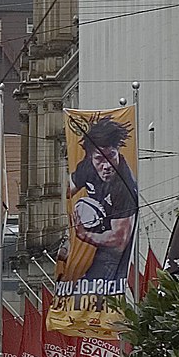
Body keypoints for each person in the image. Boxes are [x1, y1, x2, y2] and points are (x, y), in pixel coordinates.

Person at [64, 113, 138, 291]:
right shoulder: (87, 166)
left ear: (117, 151)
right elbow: (66, 190)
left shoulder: (124, 187)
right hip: (94, 249)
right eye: (99, 159)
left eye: (111, 156)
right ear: (90, 156)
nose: (106, 166)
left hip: (117, 260)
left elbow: (119, 241)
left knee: (92, 298)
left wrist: (84, 235)